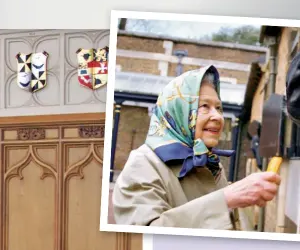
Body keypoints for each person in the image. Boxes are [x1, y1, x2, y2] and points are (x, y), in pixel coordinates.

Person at [112, 66, 280, 230]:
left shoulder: (209, 162)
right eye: (204, 106)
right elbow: (142, 239)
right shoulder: (143, 164)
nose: (217, 116)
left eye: (219, 108)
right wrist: (227, 199)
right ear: (177, 110)